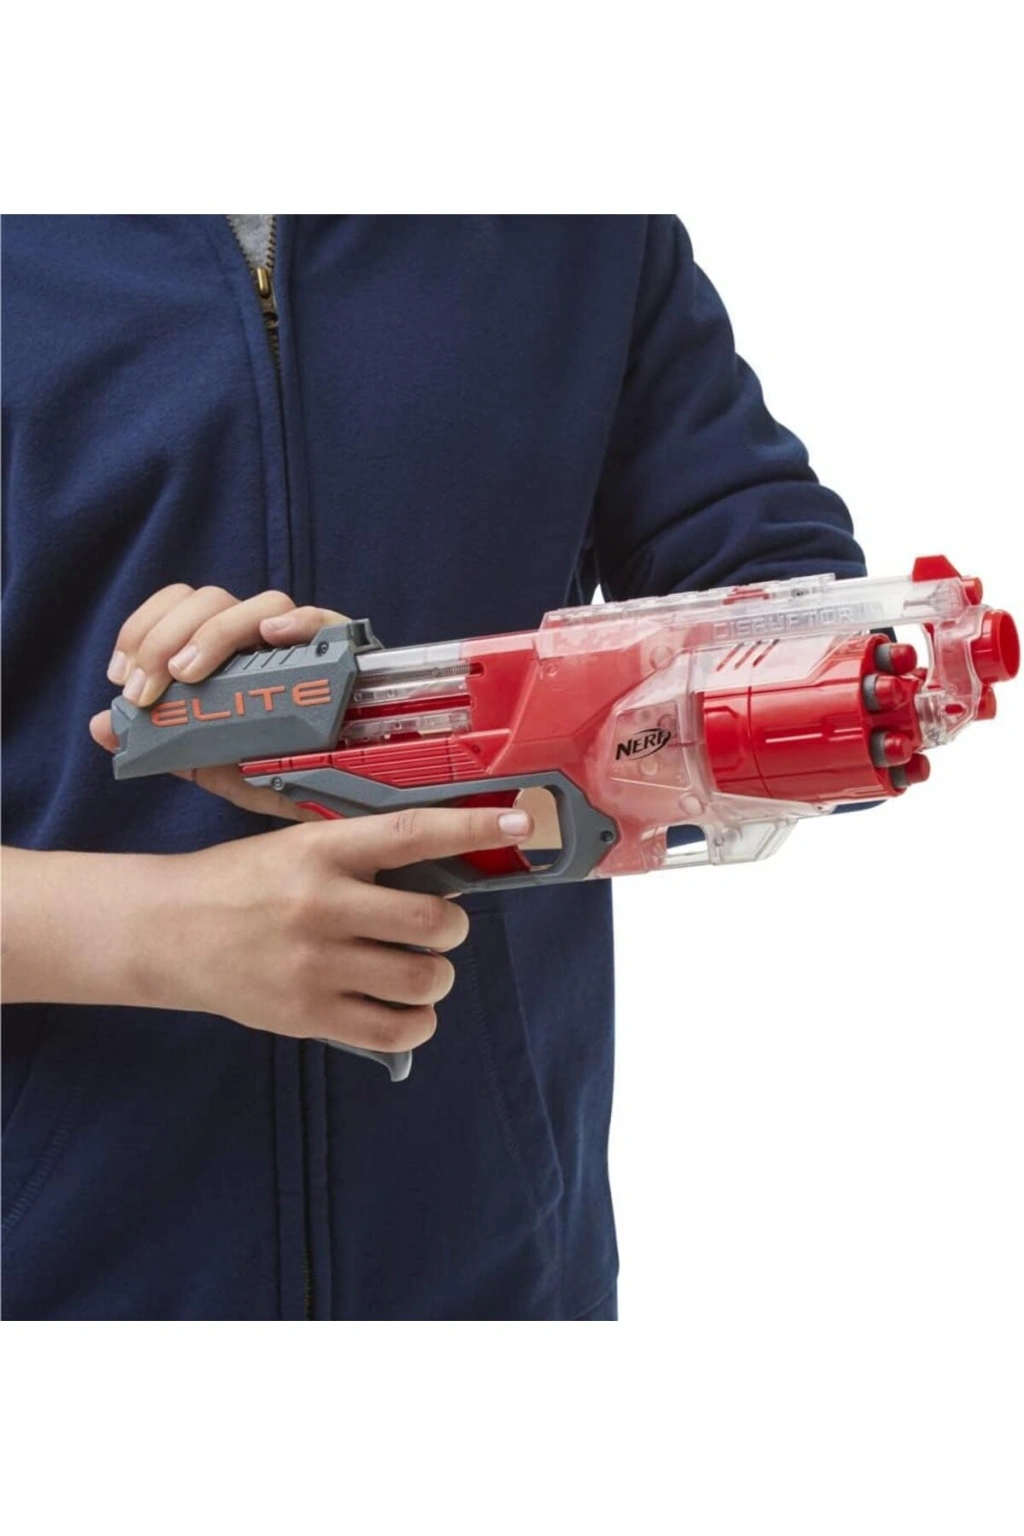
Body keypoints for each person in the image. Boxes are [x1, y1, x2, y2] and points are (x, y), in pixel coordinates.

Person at [1, 215, 867, 1319]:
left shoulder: (579, 226)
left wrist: (406, 729)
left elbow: (798, 639)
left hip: (493, 1270)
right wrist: (155, 930)